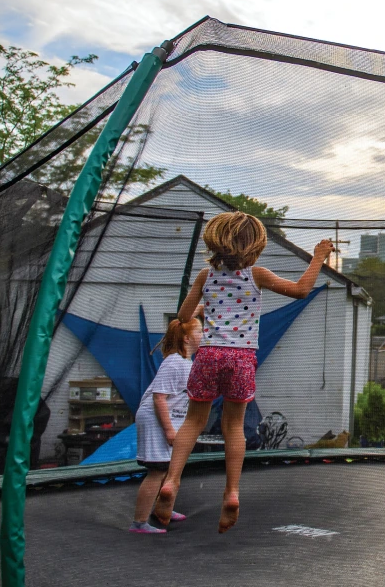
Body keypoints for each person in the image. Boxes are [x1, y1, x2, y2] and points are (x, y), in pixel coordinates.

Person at [154, 211, 333, 532]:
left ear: (215, 241)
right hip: (241, 358)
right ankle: (232, 492)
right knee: (233, 427)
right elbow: (301, 290)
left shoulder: (205, 276)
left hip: (208, 356)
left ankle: (171, 482)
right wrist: (318, 257)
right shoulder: (258, 275)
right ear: (256, 247)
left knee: (194, 421)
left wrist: (202, 306)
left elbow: (182, 316)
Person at [129, 308, 203, 534]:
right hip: (155, 420)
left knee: (171, 468)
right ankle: (139, 523)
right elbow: (159, 398)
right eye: (200, 331)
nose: (204, 335)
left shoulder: (187, 363)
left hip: (168, 420)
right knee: (158, 470)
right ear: (187, 338)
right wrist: (169, 430)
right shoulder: (174, 362)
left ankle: (163, 509)